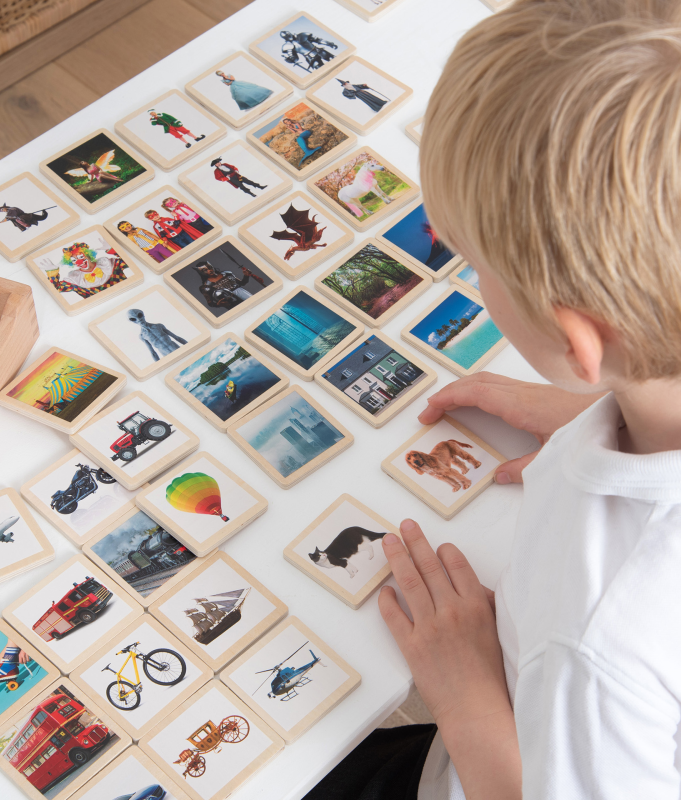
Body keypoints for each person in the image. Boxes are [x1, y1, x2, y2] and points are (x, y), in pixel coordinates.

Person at [305, 2, 681, 799]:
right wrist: (600, 415)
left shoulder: (598, 640)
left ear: (577, 342)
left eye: (475, 264)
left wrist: (463, 692)